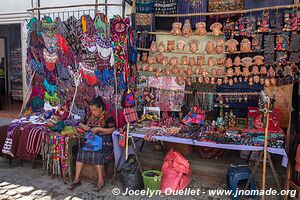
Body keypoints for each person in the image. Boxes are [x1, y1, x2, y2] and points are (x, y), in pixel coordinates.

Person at [69, 97, 116, 191]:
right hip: (91, 141)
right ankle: (77, 179)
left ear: (101, 108)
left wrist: (99, 129)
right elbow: (82, 124)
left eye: (95, 110)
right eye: (91, 110)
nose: (93, 112)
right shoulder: (90, 116)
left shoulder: (108, 117)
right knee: (81, 152)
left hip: (105, 142)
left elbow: (113, 129)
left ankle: (101, 181)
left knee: (97, 154)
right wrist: (84, 126)